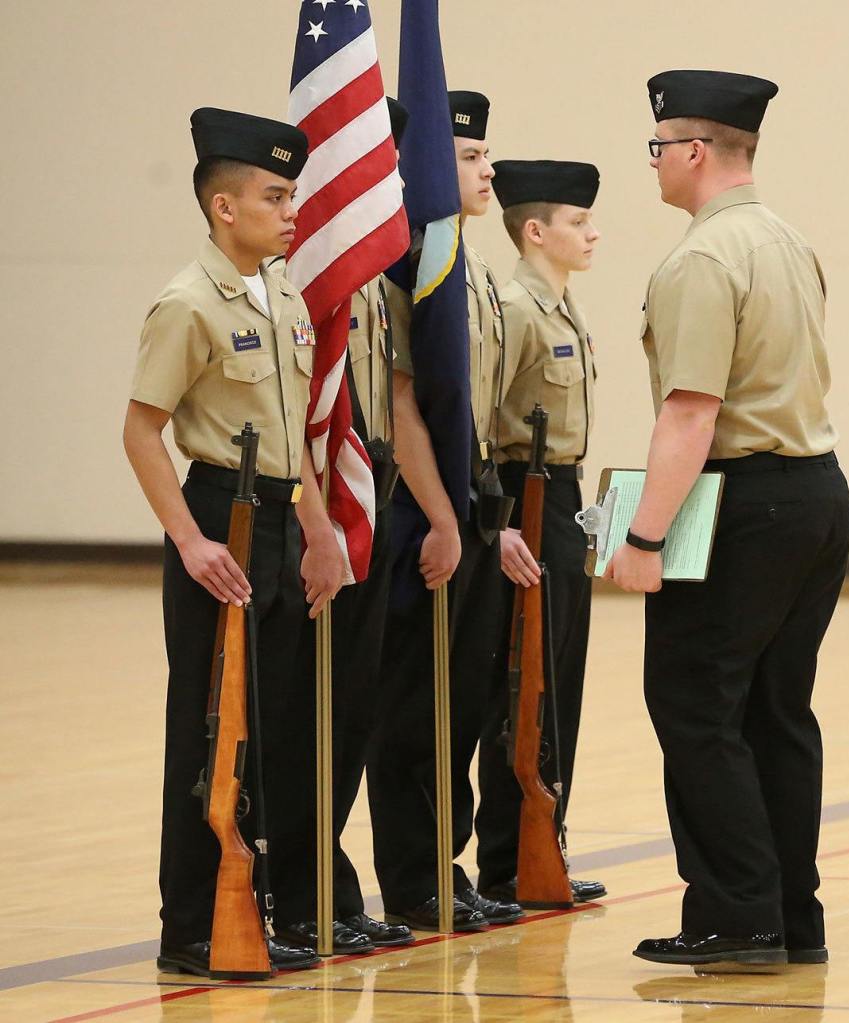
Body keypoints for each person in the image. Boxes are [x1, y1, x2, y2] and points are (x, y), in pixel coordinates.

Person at [607, 71, 849, 969]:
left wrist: (641, 538)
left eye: (659, 148)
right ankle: (790, 914)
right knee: (775, 713)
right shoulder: (787, 241)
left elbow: (690, 413)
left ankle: (737, 916)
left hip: (743, 501)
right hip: (816, 490)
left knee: (696, 707)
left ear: (695, 151)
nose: (656, 164)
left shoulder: (702, 259)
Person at [123, 108, 348, 976]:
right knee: (214, 729)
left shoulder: (283, 292)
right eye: (275, 195)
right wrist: (188, 540)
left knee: (279, 725)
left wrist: (321, 532)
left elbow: (295, 436)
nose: (292, 210)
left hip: (287, 520)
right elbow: (142, 431)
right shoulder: (187, 303)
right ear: (224, 207)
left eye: (292, 194)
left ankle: (260, 909)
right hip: (222, 516)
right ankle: (190, 925)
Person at [366, 90, 522, 932]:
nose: (486, 169)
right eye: (467, 156)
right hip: (420, 512)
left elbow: (478, 411)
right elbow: (407, 406)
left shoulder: (475, 271)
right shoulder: (407, 268)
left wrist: (489, 520)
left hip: (474, 504)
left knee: (459, 702)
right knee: (409, 705)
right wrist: (443, 517)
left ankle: (443, 863)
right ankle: (412, 877)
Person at [270, 99, 414, 955]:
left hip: (368, 501)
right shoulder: (303, 277)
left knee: (353, 710)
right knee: (302, 715)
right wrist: (317, 520)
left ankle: (326, 881)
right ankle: (295, 888)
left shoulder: (369, 279)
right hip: (305, 511)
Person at [473, 159, 607, 906]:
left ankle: (542, 844)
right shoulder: (517, 309)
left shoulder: (562, 305)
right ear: (535, 230)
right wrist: (496, 525)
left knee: (560, 682)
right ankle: (505, 860)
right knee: (521, 684)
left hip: (565, 499)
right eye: (578, 222)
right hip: (522, 502)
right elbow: (485, 422)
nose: (593, 233)